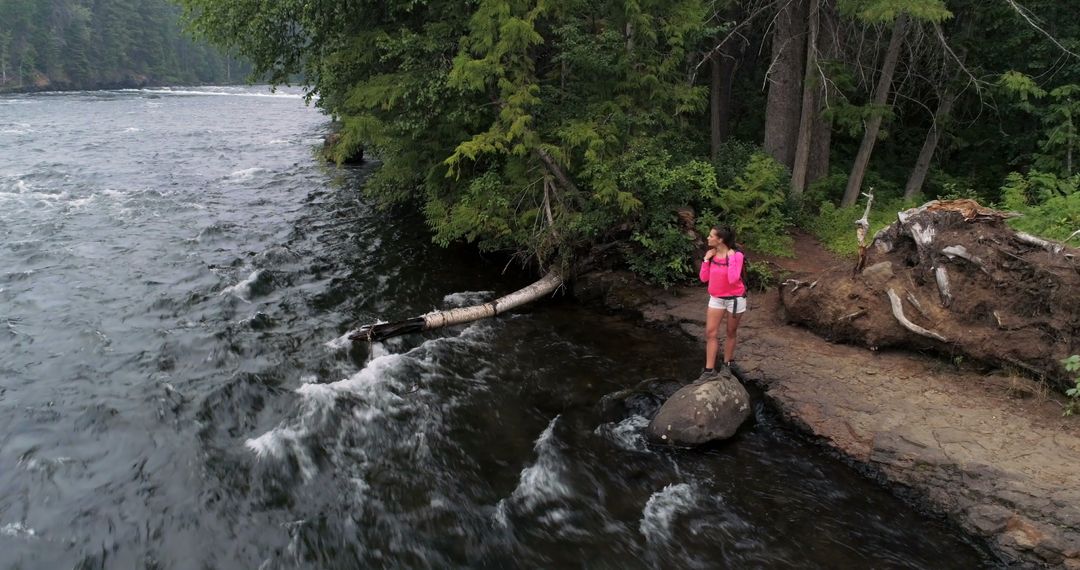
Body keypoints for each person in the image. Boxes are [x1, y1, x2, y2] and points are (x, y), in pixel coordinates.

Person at [698, 226, 746, 378]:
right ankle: (709, 370)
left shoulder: (737, 256)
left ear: (720, 240)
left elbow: (733, 279)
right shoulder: (712, 255)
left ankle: (727, 365)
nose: (707, 238)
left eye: (711, 236)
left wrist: (731, 258)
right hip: (716, 299)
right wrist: (706, 259)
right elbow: (704, 278)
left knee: (730, 332)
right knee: (710, 333)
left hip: (735, 300)